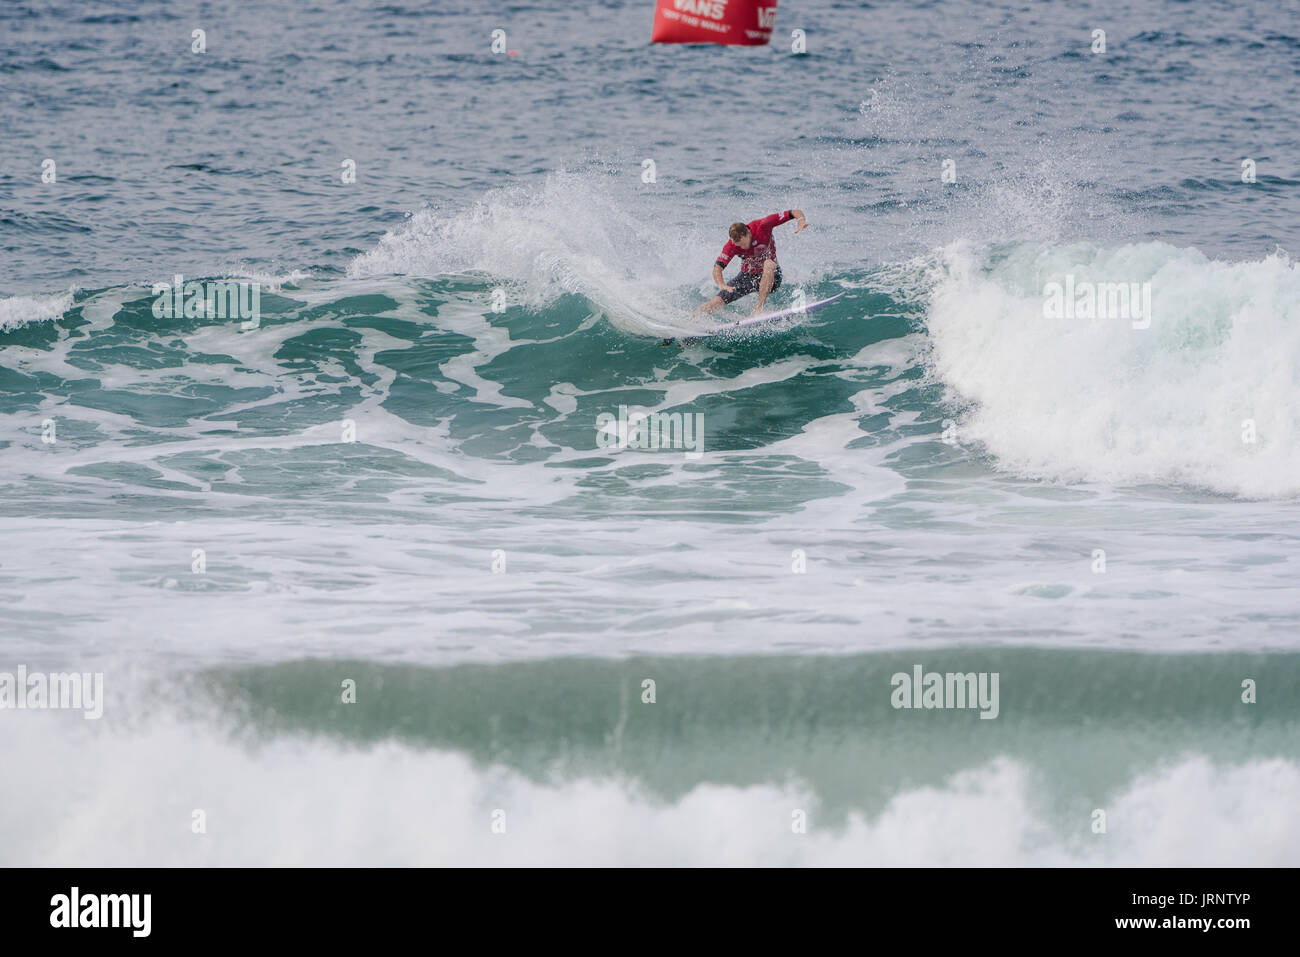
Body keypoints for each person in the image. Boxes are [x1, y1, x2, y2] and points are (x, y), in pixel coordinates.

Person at [697, 209, 808, 316]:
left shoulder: (763, 225)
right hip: (747, 276)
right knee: (715, 302)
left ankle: (758, 310)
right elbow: (717, 268)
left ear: (748, 233)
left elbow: (794, 212)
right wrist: (721, 284)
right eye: (738, 245)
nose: (742, 248)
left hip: (772, 276)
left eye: (743, 244)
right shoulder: (731, 246)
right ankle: (690, 322)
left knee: (768, 263)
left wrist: (801, 221)